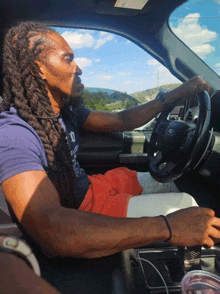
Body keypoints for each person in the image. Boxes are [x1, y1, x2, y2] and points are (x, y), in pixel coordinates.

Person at [0, 20, 220, 263]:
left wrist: (174, 95)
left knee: (174, 180)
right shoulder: (14, 135)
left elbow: (121, 119)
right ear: (37, 68)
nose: (79, 68)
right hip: (81, 213)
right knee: (186, 205)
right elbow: (51, 229)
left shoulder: (65, 111)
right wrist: (167, 226)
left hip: (93, 188)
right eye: (67, 58)